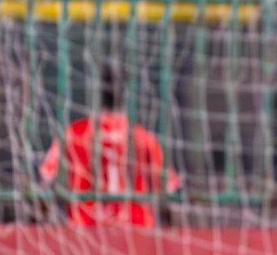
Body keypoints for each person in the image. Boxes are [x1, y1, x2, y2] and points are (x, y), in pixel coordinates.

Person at [38, 68, 181, 227]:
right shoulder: (144, 138)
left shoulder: (73, 134)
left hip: (84, 233)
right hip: (137, 231)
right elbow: (168, 193)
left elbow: (46, 183)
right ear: (124, 94)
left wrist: (45, 224)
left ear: (97, 93)